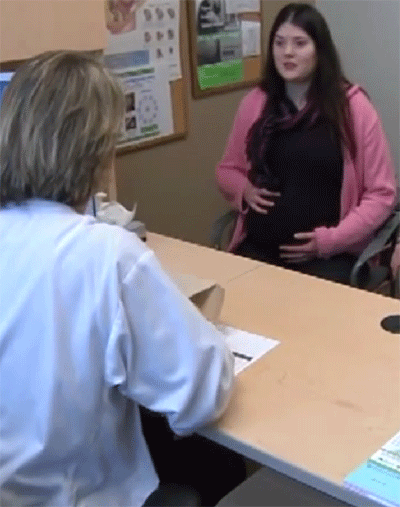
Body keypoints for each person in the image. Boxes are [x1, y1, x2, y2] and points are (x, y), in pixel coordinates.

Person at [0, 51, 236, 507]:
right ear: (93, 149)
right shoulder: (107, 256)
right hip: (80, 493)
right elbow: (202, 394)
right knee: (215, 464)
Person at [216, 3, 397, 286]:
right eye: (279, 43)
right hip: (258, 252)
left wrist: (330, 240)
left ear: (319, 51)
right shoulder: (256, 103)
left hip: (329, 259)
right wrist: (244, 189)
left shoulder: (353, 108)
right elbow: (227, 170)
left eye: (299, 43)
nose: (287, 52)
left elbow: (381, 194)